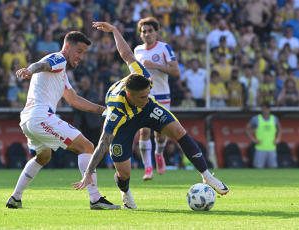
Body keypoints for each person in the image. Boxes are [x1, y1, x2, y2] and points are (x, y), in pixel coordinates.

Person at [73, 22, 229, 209]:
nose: (148, 98)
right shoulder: (116, 111)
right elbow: (102, 143)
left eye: (148, 94)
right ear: (130, 95)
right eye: (143, 96)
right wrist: (89, 172)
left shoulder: (144, 79)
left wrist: (115, 30)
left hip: (144, 112)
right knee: (123, 173)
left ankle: (207, 176)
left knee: (179, 131)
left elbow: (127, 55)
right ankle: (125, 194)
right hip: (125, 123)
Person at [6, 31, 120, 210]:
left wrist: (102, 110)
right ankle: (95, 199)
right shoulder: (58, 59)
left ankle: (15, 198)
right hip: (40, 116)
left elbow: (74, 100)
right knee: (87, 147)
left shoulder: (61, 71)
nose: (81, 57)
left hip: (28, 119)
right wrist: (30, 69)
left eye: (84, 53)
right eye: (79, 51)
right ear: (67, 47)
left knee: (43, 157)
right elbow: (41, 64)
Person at [134, 17, 180, 180]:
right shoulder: (137, 50)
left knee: (160, 134)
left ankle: (159, 154)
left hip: (162, 95)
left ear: (156, 33)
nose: (147, 34)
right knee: (144, 130)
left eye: (150, 31)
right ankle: (148, 168)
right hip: (145, 95)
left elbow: (176, 71)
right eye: (144, 31)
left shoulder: (164, 48)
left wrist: (156, 66)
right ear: (140, 34)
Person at [245, 102, 282, 168]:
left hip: (272, 148)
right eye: (264, 108)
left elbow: (280, 129)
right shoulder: (256, 118)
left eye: (267, 108)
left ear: (270, 109)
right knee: (258, 168)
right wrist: (253, 139)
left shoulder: (274, 119)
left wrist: (278, 138)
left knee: (273, 168)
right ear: (261, 109)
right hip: (260, 148)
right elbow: (246, 129)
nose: (265, 110)